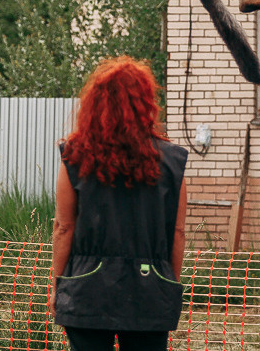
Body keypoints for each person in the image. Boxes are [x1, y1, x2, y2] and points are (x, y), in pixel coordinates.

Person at [49, 56, 188, 351]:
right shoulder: (173, 161)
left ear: (95, 103)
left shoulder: (74, 156)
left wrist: (57, 285)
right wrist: (168, 282)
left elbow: (63, 227)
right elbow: (177, 233)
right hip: (152, 290)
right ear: (146, 103)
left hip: (87, 288)